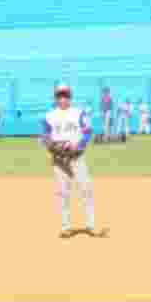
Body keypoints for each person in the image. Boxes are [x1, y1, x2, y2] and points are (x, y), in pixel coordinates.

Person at [41, 85, 104, 239]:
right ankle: (65, 227)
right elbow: (45, 136)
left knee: (86, 189)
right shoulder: (49, 116)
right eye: (60, 95)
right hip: (59, 160)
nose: (63, 98)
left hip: (76, 157)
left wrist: (78, 145)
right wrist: (51, 145)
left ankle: (91, 225)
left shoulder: (78, 113)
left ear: (70, 97)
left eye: (66, 95)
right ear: (55, 98)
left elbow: (88, 132)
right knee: (62, 193)